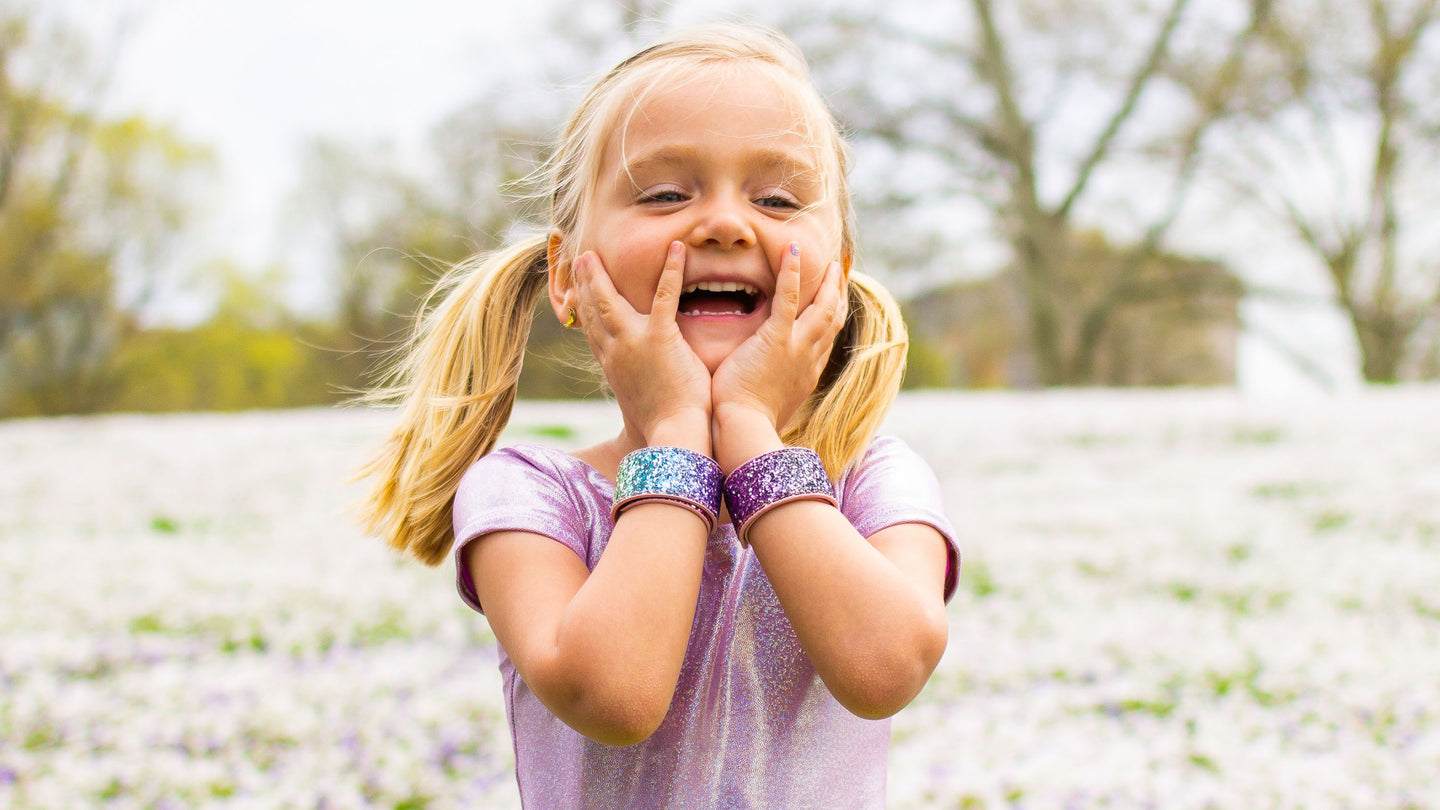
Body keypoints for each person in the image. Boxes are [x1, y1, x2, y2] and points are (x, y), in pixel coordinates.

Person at [359, 21, 960, 809]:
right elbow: (615, 697)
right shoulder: (527, 495)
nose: (723, 224)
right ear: (568, 275)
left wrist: (749, 429)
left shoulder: (872, 480)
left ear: (838, 273)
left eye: (776, 198)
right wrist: (679, 430)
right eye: (665, 194)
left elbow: (884, 671)